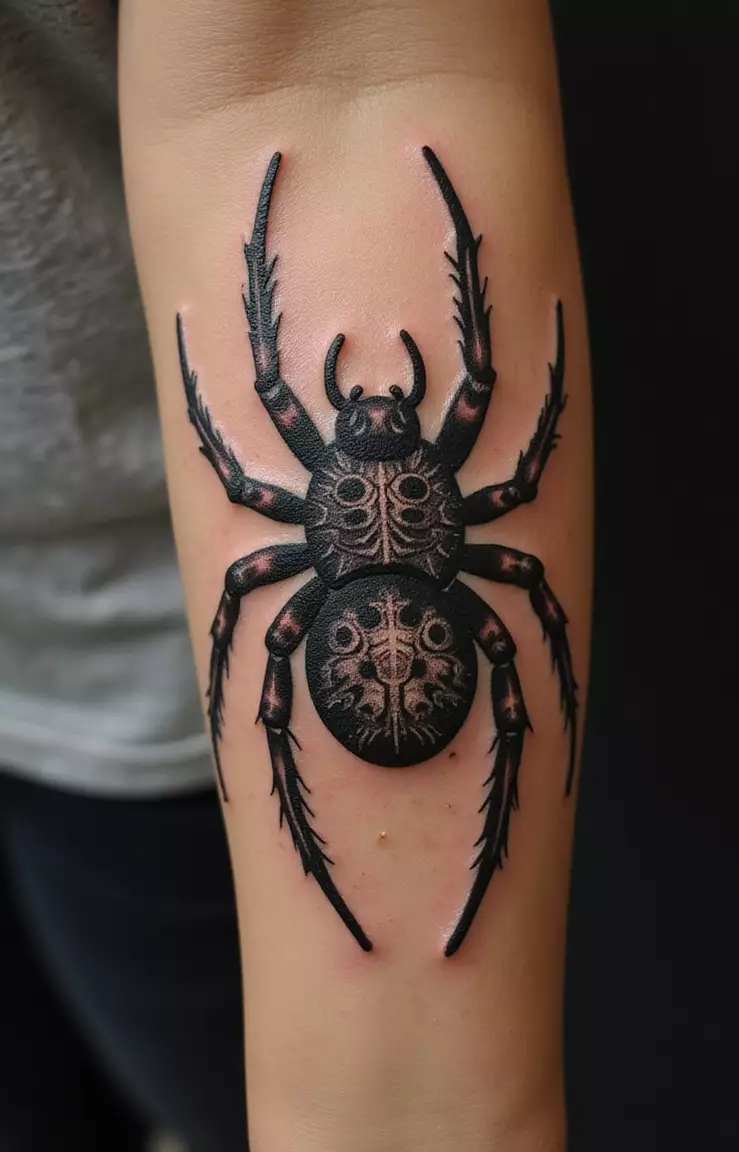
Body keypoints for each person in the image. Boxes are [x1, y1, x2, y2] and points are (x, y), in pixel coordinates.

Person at [1, 2, 591, 1150]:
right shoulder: (468, 522)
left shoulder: (298, 522)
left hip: (128, 701)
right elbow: (503, 470)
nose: (372, 421)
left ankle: (351, 880)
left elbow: (337, 73)